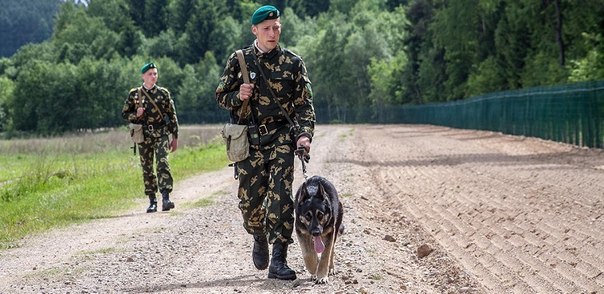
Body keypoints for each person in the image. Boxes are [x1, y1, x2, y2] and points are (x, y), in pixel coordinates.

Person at [215, 5, 315, 281]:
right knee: (250, 202)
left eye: (277, 27)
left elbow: (304, 105)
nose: (273, 33)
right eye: (267, 28)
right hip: (250, 138)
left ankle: (279, 259)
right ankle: (258, 235)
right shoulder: (239, 61)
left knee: (281, 198)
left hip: (282, 136)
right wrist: (238, 95)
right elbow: (221, 96)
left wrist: (304, 134)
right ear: (255, 30)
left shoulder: (293, 63)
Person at [122, 62, 179, 213]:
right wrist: (136, 114)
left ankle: (166, 198)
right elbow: (125, 114)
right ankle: (152, 200)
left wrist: (175, 137)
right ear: (143, 76)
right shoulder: (135, 94)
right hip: (144, 135)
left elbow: (172, 116)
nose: (153, 77)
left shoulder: (163, 93)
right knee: (147, 168)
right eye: (150, 74)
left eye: (155, 73)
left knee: (162, 163)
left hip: (161, 133)